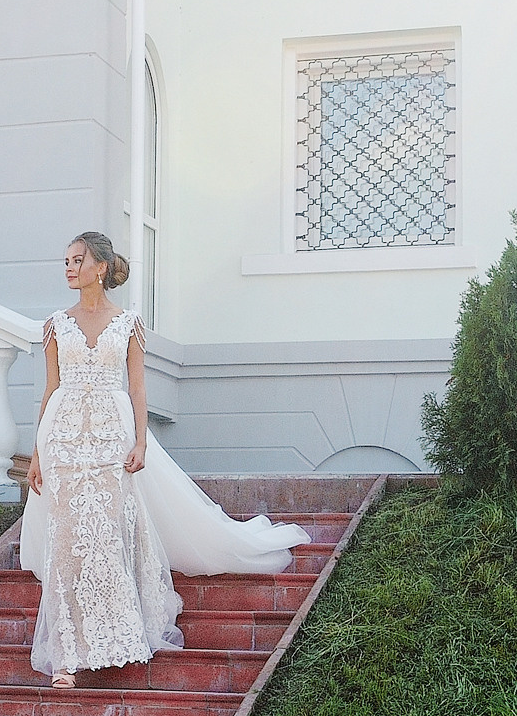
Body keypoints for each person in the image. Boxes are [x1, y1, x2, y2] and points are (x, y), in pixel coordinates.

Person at [23, 231, 308, 688]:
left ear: (101, 267)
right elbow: (50, 388)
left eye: (78, 260)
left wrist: (141, 442)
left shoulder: (128, 324)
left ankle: (117, 638)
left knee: (111, 534)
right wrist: (37, 452)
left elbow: (137, 388)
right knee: (66, 545)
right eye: (66, 261)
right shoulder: (55, 324)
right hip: (65, 441)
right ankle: (66, 657)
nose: (69, 267)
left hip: (112, 440)